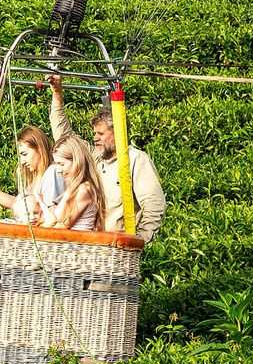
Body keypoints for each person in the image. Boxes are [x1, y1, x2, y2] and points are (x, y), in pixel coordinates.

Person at [50, 77, 166, 242]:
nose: (95, 138)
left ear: (117, 132)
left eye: (101, 134)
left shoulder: (136, 160)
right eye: (94, 134)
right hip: (92, 246)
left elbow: (154, 205)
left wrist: (139, 241)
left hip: (117, 246)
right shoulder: (95, 159)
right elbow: (66, 139)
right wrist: (57, 95)